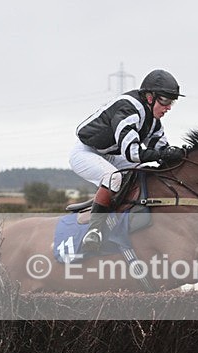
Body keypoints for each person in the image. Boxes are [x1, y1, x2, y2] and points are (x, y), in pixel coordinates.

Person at [69, 69, 187, 253]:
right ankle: (94, 231)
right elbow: (132, 153)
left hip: (110, 153)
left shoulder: (154, 122)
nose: (168, 107)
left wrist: (180, 154)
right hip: (85, 152)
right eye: (165, 100)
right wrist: (163, 155)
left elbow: (161, 150)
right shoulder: (128, 109)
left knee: (144, 172)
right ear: (149, 97)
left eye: (171, 102)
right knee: (113, 178)